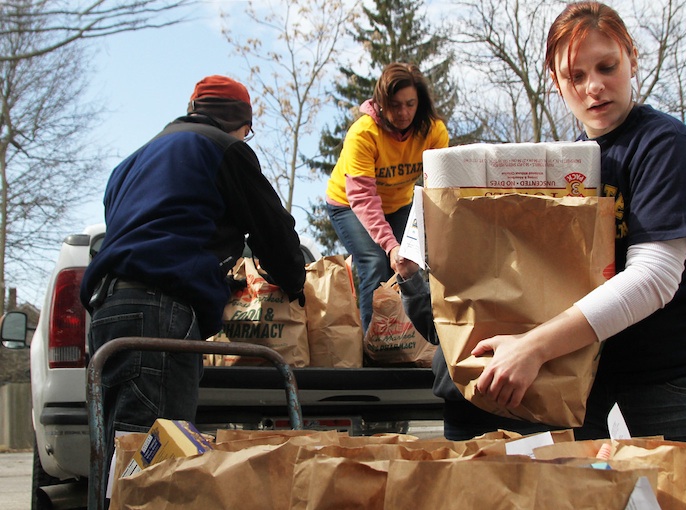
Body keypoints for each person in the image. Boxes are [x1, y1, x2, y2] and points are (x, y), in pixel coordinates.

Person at [464, 1, 686, 452]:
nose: (594, 87)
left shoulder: (664, 144)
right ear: (557, 84)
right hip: (588, 381)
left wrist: (534, 347)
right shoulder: (567, 166)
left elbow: (655, 277)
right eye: (575, 76)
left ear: (631, 58)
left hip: (683, 379)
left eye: (607, 66)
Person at [80, 75, 307, 483]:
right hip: (159, 317)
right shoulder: (223, 148)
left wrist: (220, 280)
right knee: (151, 470)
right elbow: (273, 229)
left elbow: (158, 236)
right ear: (240, 123)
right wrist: (293, 281)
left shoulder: (130, 163)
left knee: (118, 457)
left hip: (108, 312)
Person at [326, 62, 449, 332]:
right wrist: (389, 244)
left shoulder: (433, 132)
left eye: (410, 104)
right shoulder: (363, 134)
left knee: (408, 264)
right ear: (381, 103)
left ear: (420, 102)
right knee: (374, 263)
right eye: (395, 105)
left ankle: (411, 340)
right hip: (349, 205)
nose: (403, 112)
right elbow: (363, 198)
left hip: (399, 204)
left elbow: (439, 189)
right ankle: (373, 348)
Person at [396, 261, 558, 440]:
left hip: (539, 403)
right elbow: (439, 330)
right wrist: (410, 277)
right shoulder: (462, 249)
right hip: (467, 404)